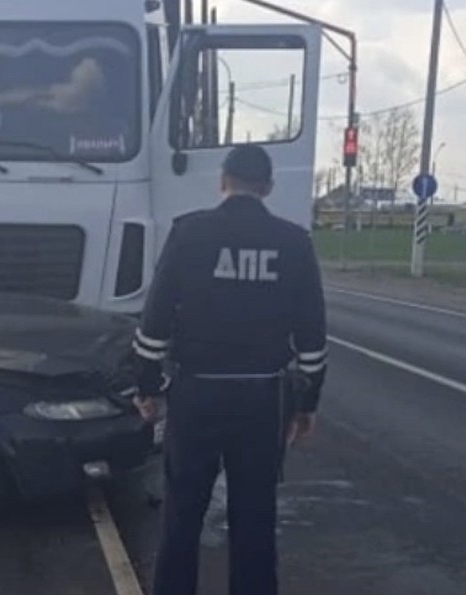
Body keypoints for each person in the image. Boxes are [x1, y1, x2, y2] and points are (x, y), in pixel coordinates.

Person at [131, 144, 328, 595]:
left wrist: (147, 385)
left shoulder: (189, 234)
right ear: (269, 188)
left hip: (196, 394)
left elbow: (154, 321)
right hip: (264, 399)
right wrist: (306, 402)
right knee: (255, 518)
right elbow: (312, 337)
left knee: (182, 516)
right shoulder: (295, 243)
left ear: (223, 181)